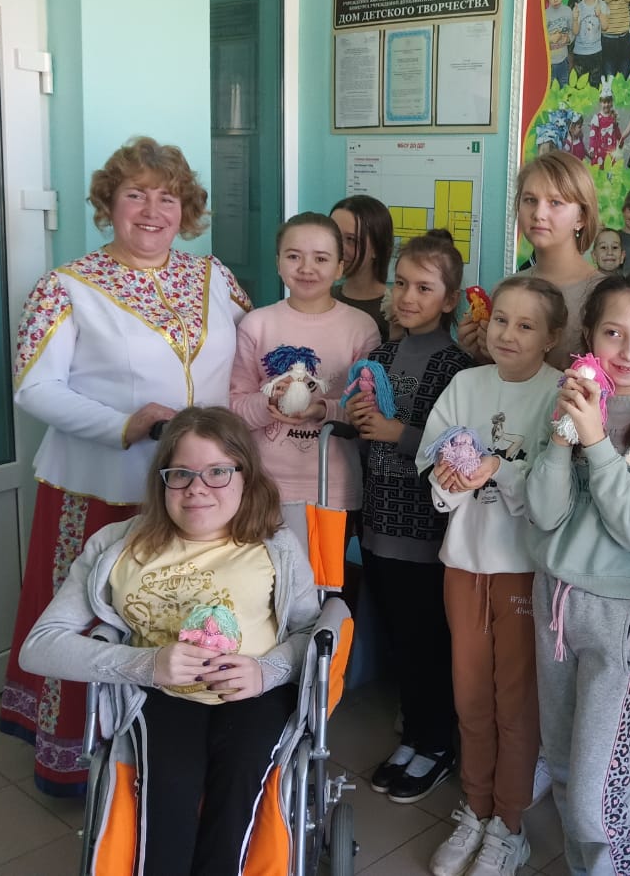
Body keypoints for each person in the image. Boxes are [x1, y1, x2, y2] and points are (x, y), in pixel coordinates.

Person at [0, 136, 250, 795]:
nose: (152, 210)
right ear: (108, 204)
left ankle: (175, 756)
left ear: (186, 208)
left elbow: (253, 357)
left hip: (203, 492)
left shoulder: (215, 277)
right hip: (103, 491)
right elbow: (33, 388)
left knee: (190, 616)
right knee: (98, 620)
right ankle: (79, 759)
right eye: (135, 194)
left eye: (167, 197)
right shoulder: (65, 287)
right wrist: (125, 424)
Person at [18, 405, 321, 874]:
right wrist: (147, 665)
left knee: (240, 789)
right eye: (181, 474)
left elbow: (310, 633)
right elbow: (39, 647)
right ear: (162, 481)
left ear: (245, 476)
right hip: (159, 694)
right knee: (169, 797)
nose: (197, 488)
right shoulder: (116, 546)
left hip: (254, 694)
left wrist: (266, 671)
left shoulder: (275, 544)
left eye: (217, 472)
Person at [525, 274, 630, 876]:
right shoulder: (566, 400)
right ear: (589, 336)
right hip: (555, 599)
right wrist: (563, 437)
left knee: (598, 794)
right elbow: (544, 513)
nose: (629, 351)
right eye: (614, 333)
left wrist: (596, 442)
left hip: (622, 612)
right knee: (563, 766)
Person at [421, 277, 567, 876]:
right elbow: (433, 461)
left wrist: (494, 470)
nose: (508, 334)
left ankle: (509, 824)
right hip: (464, 565)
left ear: (552, 337)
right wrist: (450, 478)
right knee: (471, 698)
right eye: (501, 319)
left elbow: (556, 490)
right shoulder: (466, 384)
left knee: (517, 705)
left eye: (526, 325)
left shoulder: (561, 393)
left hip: (525, 572)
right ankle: (476, 808)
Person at [348, 231, 474, 804]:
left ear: (450, 299)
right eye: (401, 284)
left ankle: (437, 743)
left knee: (429, 641)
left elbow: (461, 449)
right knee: (400, 639)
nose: (407, 297)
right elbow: (361, 435)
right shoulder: (377, 357)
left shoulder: (460, 368)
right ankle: (415, 736)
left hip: (427, 533)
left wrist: (397, 433)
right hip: (377, 526)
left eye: (424, 288)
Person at [230, 211, 380, 512]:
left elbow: (367, 412)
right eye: (293, 256)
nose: (306, 268)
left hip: (333, 487)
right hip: (263, 486)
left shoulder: (361, 327)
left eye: (321, 259)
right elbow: (234, 408)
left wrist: (321, 409)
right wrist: (269, 402)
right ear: (278, 263)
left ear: (339, 268)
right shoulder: (256, 324)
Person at [460, 151, 605, 372]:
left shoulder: (604, 295)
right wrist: (482, 352)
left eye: (555, 202)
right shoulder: (505, 289)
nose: (538, 213)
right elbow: (498, 376)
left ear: (581, 217)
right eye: (530, 200)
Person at [330, 194, 394, 341]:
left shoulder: (394, 310)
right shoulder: (321, 298)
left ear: (377, 248)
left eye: (351, 240)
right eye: (334, 236)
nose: (338, 248)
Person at [571, 0, 609, 88]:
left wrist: (600, 14)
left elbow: (605, 27)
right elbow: (575, 31)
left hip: (596, 53)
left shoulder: (602, 5)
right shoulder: (578, 8)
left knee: (595, 84)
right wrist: (575, 18)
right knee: (579, 85)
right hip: (580, 54)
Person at [545, 0, 574, 88]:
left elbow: (572, 31)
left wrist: (568, 39)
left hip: (563, 60)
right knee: (552, 89)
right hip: (549, 62)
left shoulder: (567, 11)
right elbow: (539, 39)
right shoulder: (545, 14)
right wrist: (550, 39)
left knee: (564, 87)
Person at [588, 78, 623, 165]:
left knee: (610, 167)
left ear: (612, 102)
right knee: (600, 168)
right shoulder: (597, 118)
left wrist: (620, 139)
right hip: (600, 151)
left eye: (608, 102)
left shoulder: (613, 116)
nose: (606, 105)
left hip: (611, 150)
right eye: (604, 102)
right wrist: (592, 148)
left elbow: (616, 130)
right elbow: (593, 136)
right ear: (600, 102)